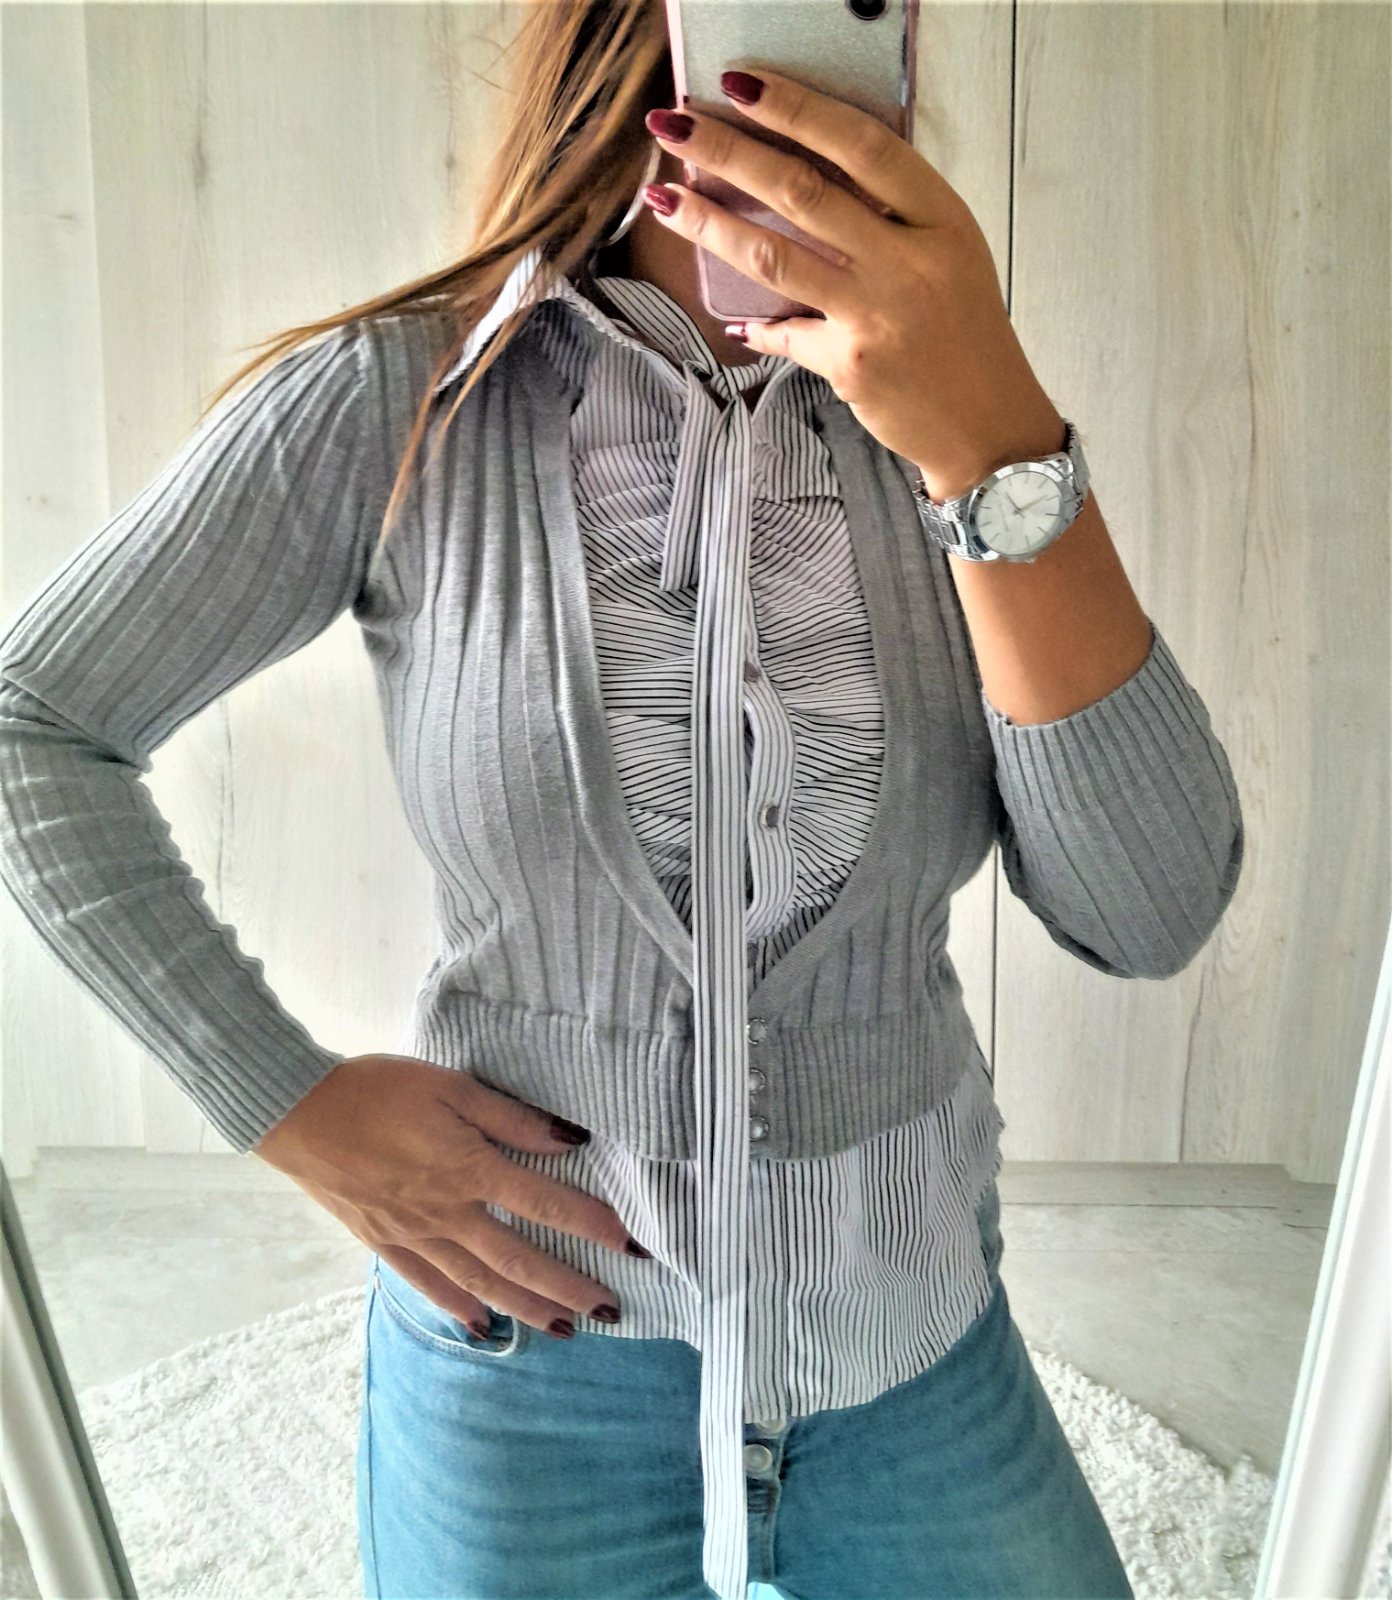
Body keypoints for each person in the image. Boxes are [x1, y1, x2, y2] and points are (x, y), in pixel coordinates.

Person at [0, 3, 1244, 1597]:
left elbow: (1151, 912)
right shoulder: (405, 403)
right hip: (531, 1365)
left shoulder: (956, 424)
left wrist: (993, 442)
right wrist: (288, 1105)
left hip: (913, 1342)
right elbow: (35, 722)